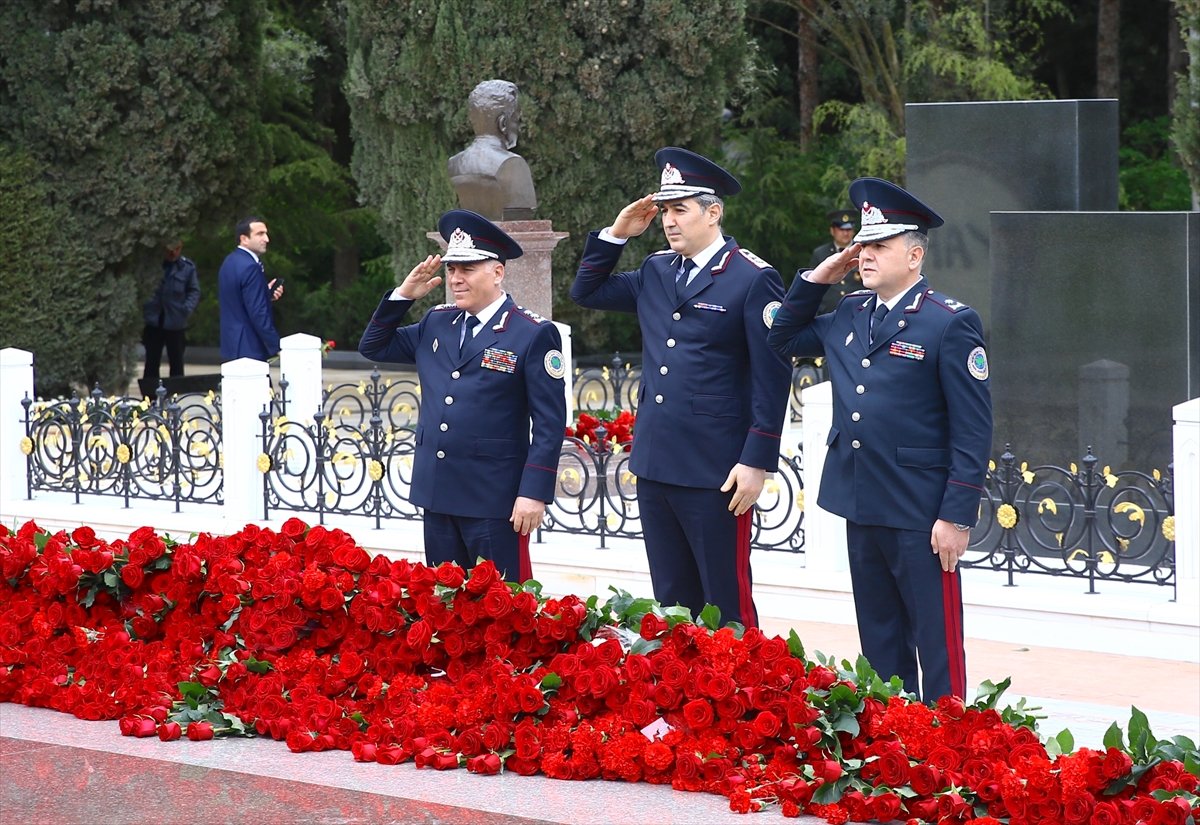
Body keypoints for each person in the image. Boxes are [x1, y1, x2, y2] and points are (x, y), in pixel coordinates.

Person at [767, 177, 993, 701]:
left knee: (936, 643)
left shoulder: (948, 323)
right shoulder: (850, 312)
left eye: (879, 245)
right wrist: (819, 276)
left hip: (921, 510)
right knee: (880, 641)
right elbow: (780, 336)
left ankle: (947, 748)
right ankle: (894, 745)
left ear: (914, 255)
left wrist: (957, 515)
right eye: (862, 245)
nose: (864, 254)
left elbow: (973, 426)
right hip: (863, 502)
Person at [570, 147, 792, 628]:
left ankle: (740, 697)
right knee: (672, 601)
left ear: (713, 213)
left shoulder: (752, 279)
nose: (669, 222)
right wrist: (615, 235)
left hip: (717, 468)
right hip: (656, 461)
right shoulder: (656, 269)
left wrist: (757, 460)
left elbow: (772, 376)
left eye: (681, 209)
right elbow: (585, 292)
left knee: (725, 602)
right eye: (665, 211)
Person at [358, 209, 566, 582]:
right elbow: (374, 346)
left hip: (495, 500)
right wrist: (403, 295)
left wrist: (534, 492)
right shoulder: (438, 322)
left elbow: (549, 422)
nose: (455, 278)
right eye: (452, 269)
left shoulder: (531, 333)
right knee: (447, 610)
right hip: (438, 493)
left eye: (467, 269)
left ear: (497, 272)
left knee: (502, 612)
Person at [447, 80, 537, 221]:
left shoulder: (454, 164)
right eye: (516, 119)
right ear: (503, 123)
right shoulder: (513, 165)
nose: (519, 126)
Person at [218, 217, 283, 362]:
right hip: (249, 345)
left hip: (231, 343)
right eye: (260, 234)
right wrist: (277, 346)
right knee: (261, 385)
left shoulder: (230, 261)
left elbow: (237, 300)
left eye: (266, 233)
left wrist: (266, 294)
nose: (266, 239)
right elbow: (258, 312)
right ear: (244, 239)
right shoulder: (251, 267)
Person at [142, 241, 201, 381]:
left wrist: (186, 309)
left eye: (177, 249)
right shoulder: (153, 266)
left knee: (177, 361)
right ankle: (150, 399)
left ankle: (176, 397)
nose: (173, 253)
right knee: (151, 361)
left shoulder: (187, 268)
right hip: (153, 320)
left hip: (176, 320)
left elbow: (194, 290)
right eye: (170, 249)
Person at [809, 208, 862, 314]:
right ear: (832, 230)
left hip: (858, 312)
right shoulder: (820, 254)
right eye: (841, 230)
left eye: (849, 229)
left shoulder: (863, 251)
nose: (845, 233)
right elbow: (812, 286)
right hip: (828, 314)